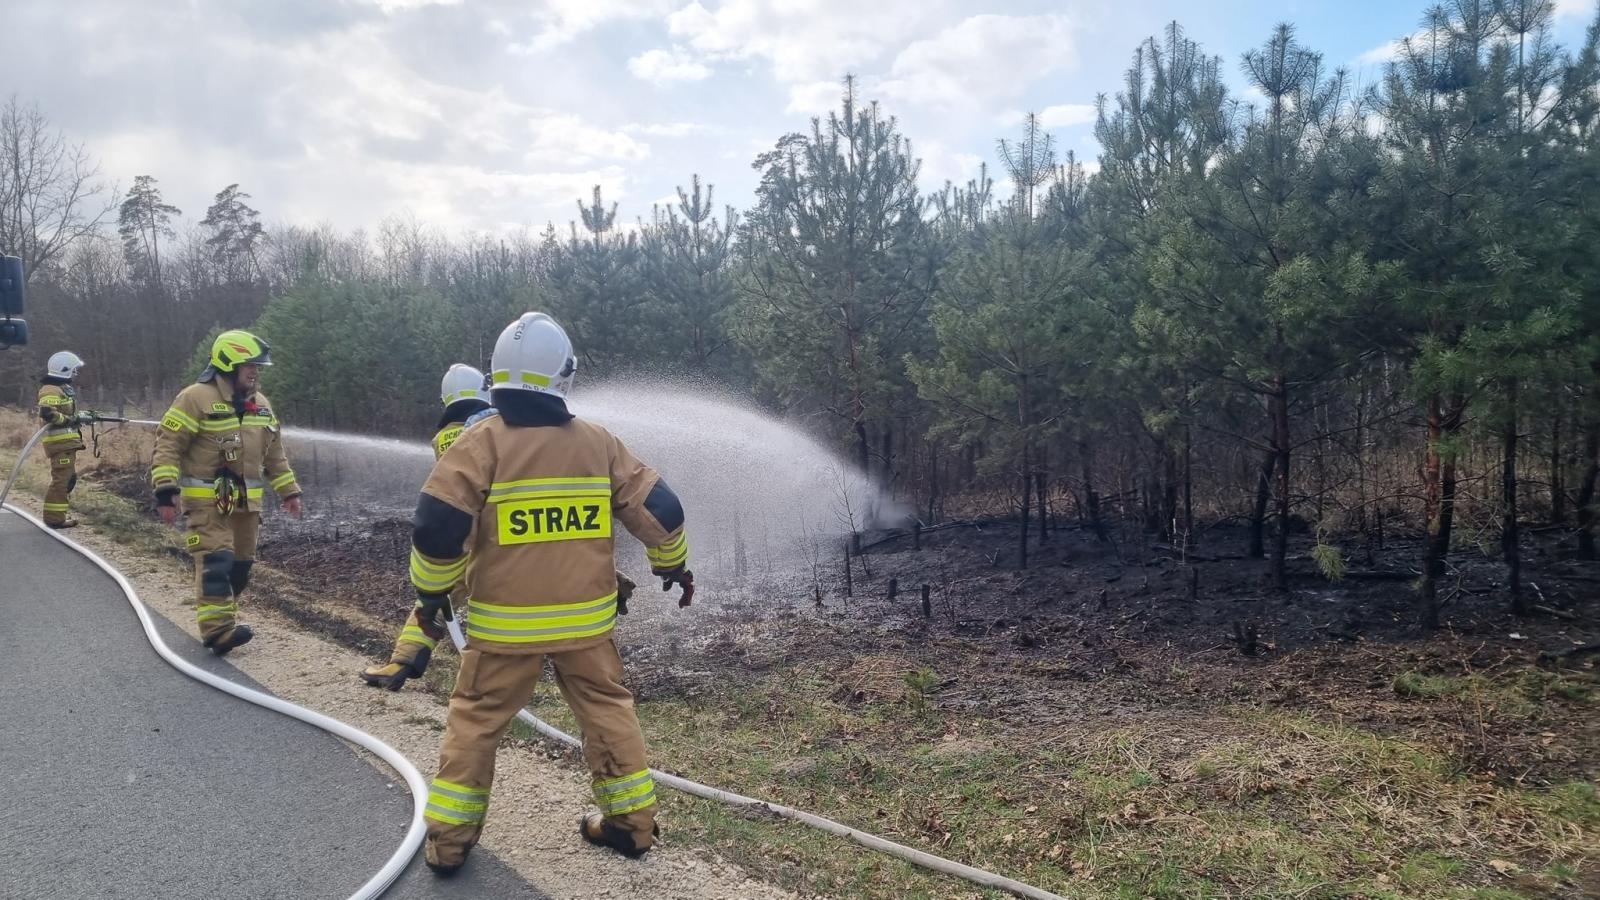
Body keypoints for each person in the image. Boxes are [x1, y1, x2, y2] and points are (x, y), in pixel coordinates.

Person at [409, 312, 694, 874]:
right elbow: (661, 508)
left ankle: (448, 845)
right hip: (585, 626)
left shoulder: (477, 445)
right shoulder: (597, 443)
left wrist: (432, 595)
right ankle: (633, 828)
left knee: (475, 722)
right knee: (608, 712)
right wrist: (672, 566)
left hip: (502, 629)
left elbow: (436, 527)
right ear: (563, 377)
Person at [149, 330, 303, 656]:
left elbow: (275, 454)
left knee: (240, 567)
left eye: (257, 366)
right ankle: (218, 632)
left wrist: (289, 492)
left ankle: (223, 618)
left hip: (247, 503)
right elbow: (168, 445)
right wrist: (165, 491)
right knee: (216, 561)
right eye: (249, 365)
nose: (255, 371)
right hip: (207, 502)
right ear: (228, 363)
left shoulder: (261, 405)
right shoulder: (195, 398)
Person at [36, 351, 87, 528]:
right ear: (65, 370)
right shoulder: (51, 389)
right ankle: (54, 519)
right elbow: (47, 413)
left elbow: (62, 412)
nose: (75, 373)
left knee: (68, 479)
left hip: (65, 444)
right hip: (60, 444)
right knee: (62, 481)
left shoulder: (59, 388)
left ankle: (57, 515)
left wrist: (78, 417)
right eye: (74, 370)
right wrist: (69, 420)